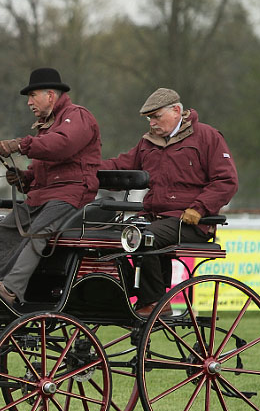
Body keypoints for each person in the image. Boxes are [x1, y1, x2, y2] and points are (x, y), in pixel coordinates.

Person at [99, 88, 238, 317]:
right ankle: (127, 296)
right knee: (113, 237)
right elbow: (122, 167)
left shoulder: (207, 137)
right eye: (149, 118)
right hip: (154, 219)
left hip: (191, 222)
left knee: (143, 236)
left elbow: (226, 181)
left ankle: (155, 303)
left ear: (176, 111)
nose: (152, 123)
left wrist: (199, 208)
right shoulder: (148, 143)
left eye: (156, 116)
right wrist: (87, 172)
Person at [0, 67, 101, 307]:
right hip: (41, 197)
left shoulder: (78, 116)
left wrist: (20, 144)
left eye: (33, 96)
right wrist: (24, 178)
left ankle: (11, 288)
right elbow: (44, 168)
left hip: (72, 195)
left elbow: (61, 146)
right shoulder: (47, 126)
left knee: (37, 233)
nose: (29, 103)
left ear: (51, 95)